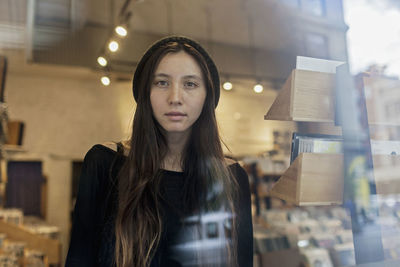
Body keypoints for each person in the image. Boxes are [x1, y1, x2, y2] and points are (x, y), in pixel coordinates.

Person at [65, 36, 253, 267]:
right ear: (146, 93)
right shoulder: (105, 163)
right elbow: (78, 259)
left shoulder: (231, 177)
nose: (175, 98)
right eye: (162, 83)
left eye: (190, 84)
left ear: (207, 97)